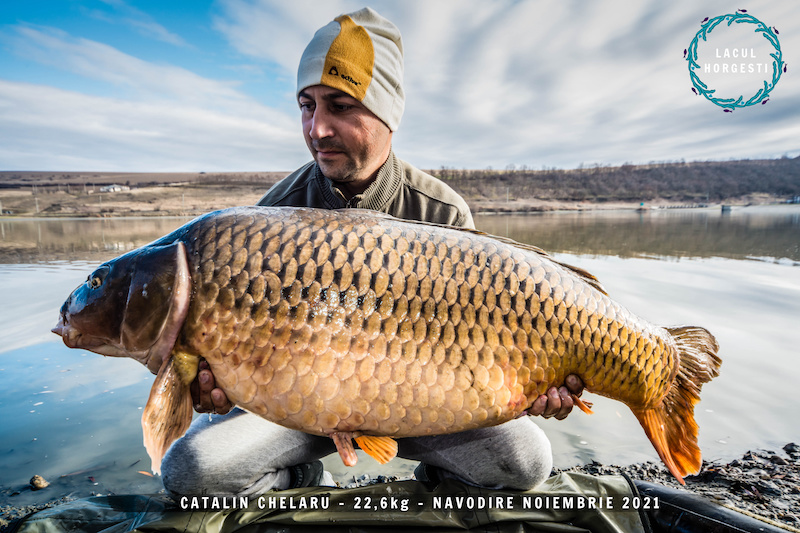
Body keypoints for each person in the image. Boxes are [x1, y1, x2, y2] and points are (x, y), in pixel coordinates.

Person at [161, 7, 584, 496]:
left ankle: (438, 481)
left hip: (426, 405)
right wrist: (216, 384)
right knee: (192, 473)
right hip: (297, 408)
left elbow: (493, 350)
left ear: (387, 113)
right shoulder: (270, 219)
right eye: (306, 105)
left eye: (340, 106)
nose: (317, 128)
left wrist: (534, 386)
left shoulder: (442, 213)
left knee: (526, 462)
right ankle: (299, 476)